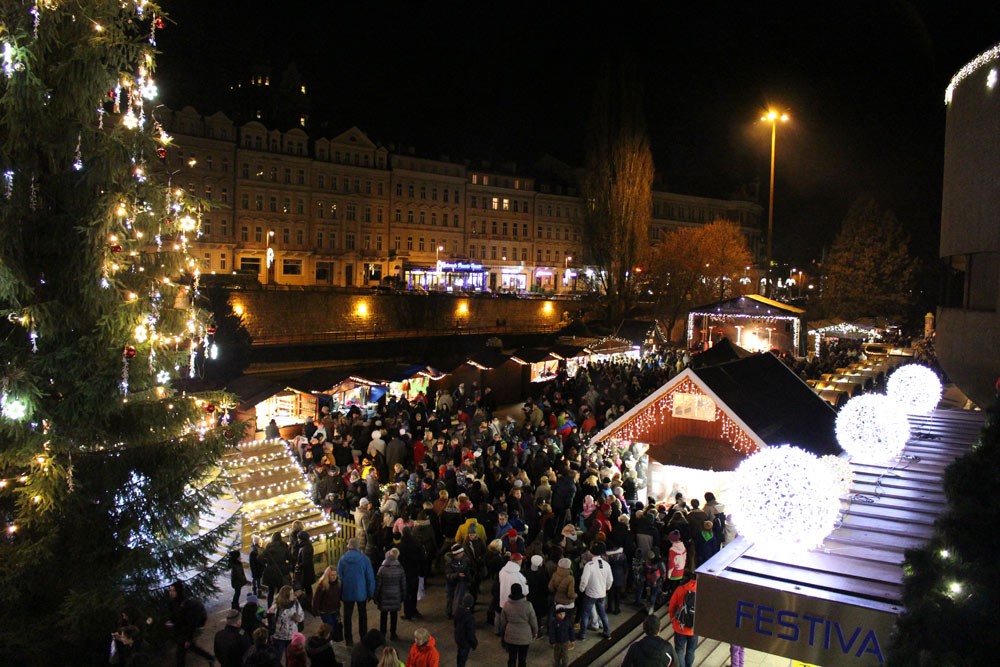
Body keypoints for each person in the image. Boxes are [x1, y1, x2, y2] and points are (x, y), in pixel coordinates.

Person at [339, 537, 377, 647]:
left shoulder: (342, 560)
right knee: (362, 615)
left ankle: (348, 639)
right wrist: (371, 593)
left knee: (347, 616)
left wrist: (339, 594)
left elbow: (339, 578)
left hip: (347, 592)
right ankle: (363, 637)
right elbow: (370, 578)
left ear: (349, 547)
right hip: (361, 592)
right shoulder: (364, 559)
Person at [166, 580, 215, 667]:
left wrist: (189, 638)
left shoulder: (187, 604)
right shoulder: (173, 602)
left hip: (186, 631)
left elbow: (191, 623)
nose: (170, 593)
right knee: (191, 647)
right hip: (181, 631)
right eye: (170, 590)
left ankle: (209, 657)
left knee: (180, 654)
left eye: (173, 590)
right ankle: (209, 657)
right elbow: (174, 616)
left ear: (178, 591)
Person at [576, 543, 614, 641]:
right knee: (602, 613)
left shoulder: (589, 565)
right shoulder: (606, 565)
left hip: (590, 594)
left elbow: (584, 580)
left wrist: (581, 589)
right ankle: (607, 632)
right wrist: (607, 588)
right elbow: (610, 580)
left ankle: (583, 634)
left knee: (585, 614)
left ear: (592, 553)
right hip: (602, 593)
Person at [500, 583, 537, 667]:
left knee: (511, 658)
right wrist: (535, 632)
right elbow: (533, 621)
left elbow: (503, 622)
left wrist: (503, 634)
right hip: (525, 636)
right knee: (522, 659)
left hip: (510, 636)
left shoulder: (506, 605)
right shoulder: (528, 605)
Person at [376, 547, 407, 641]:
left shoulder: (382, 569)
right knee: (394, 615)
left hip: (384, 596)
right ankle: (393, 634)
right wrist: (404, 595)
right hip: (395, 595)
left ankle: (382, 634)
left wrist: (375, 595)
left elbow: (378, 584)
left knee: (383, 615)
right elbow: (403, 584)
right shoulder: (400, 569)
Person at [269, 584, 305, 661]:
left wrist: (298, 618)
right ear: (286, 596)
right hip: (279, 637)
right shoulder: (277, 605)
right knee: (277, 658)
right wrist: (270, 612)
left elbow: (301, 616)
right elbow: (270, 618)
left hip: (291, 636)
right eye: (291, 593)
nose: (294, 595)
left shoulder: (296, 603)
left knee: (290, 658)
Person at [668, 575, 698, 667]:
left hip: (680, 626)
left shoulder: (681, 589)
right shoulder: (703, 591)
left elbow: (671, 606)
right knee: (691, 651)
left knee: (679, 650)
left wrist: (673, 620)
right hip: (694, 628)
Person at [313, 566, 344, 635]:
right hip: (325, 611)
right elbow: (316, 598)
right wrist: (315, 610)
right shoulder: (323, 584)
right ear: (328, 575)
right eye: (332, 575)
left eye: (335, 574)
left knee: (336, 626)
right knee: (330, 627)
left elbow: (339, 596)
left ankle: (333, 641)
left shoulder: (338, 583)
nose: (334, 577)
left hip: (335, 609)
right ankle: (329, 641)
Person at [453, 593, 478, 667]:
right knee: (463, 658)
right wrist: (474, 643)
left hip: (458, 638)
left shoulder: (457, 611)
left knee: (460, 655)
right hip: (465, 641)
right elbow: (470, 633)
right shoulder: (469, 617)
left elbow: (455, 624)